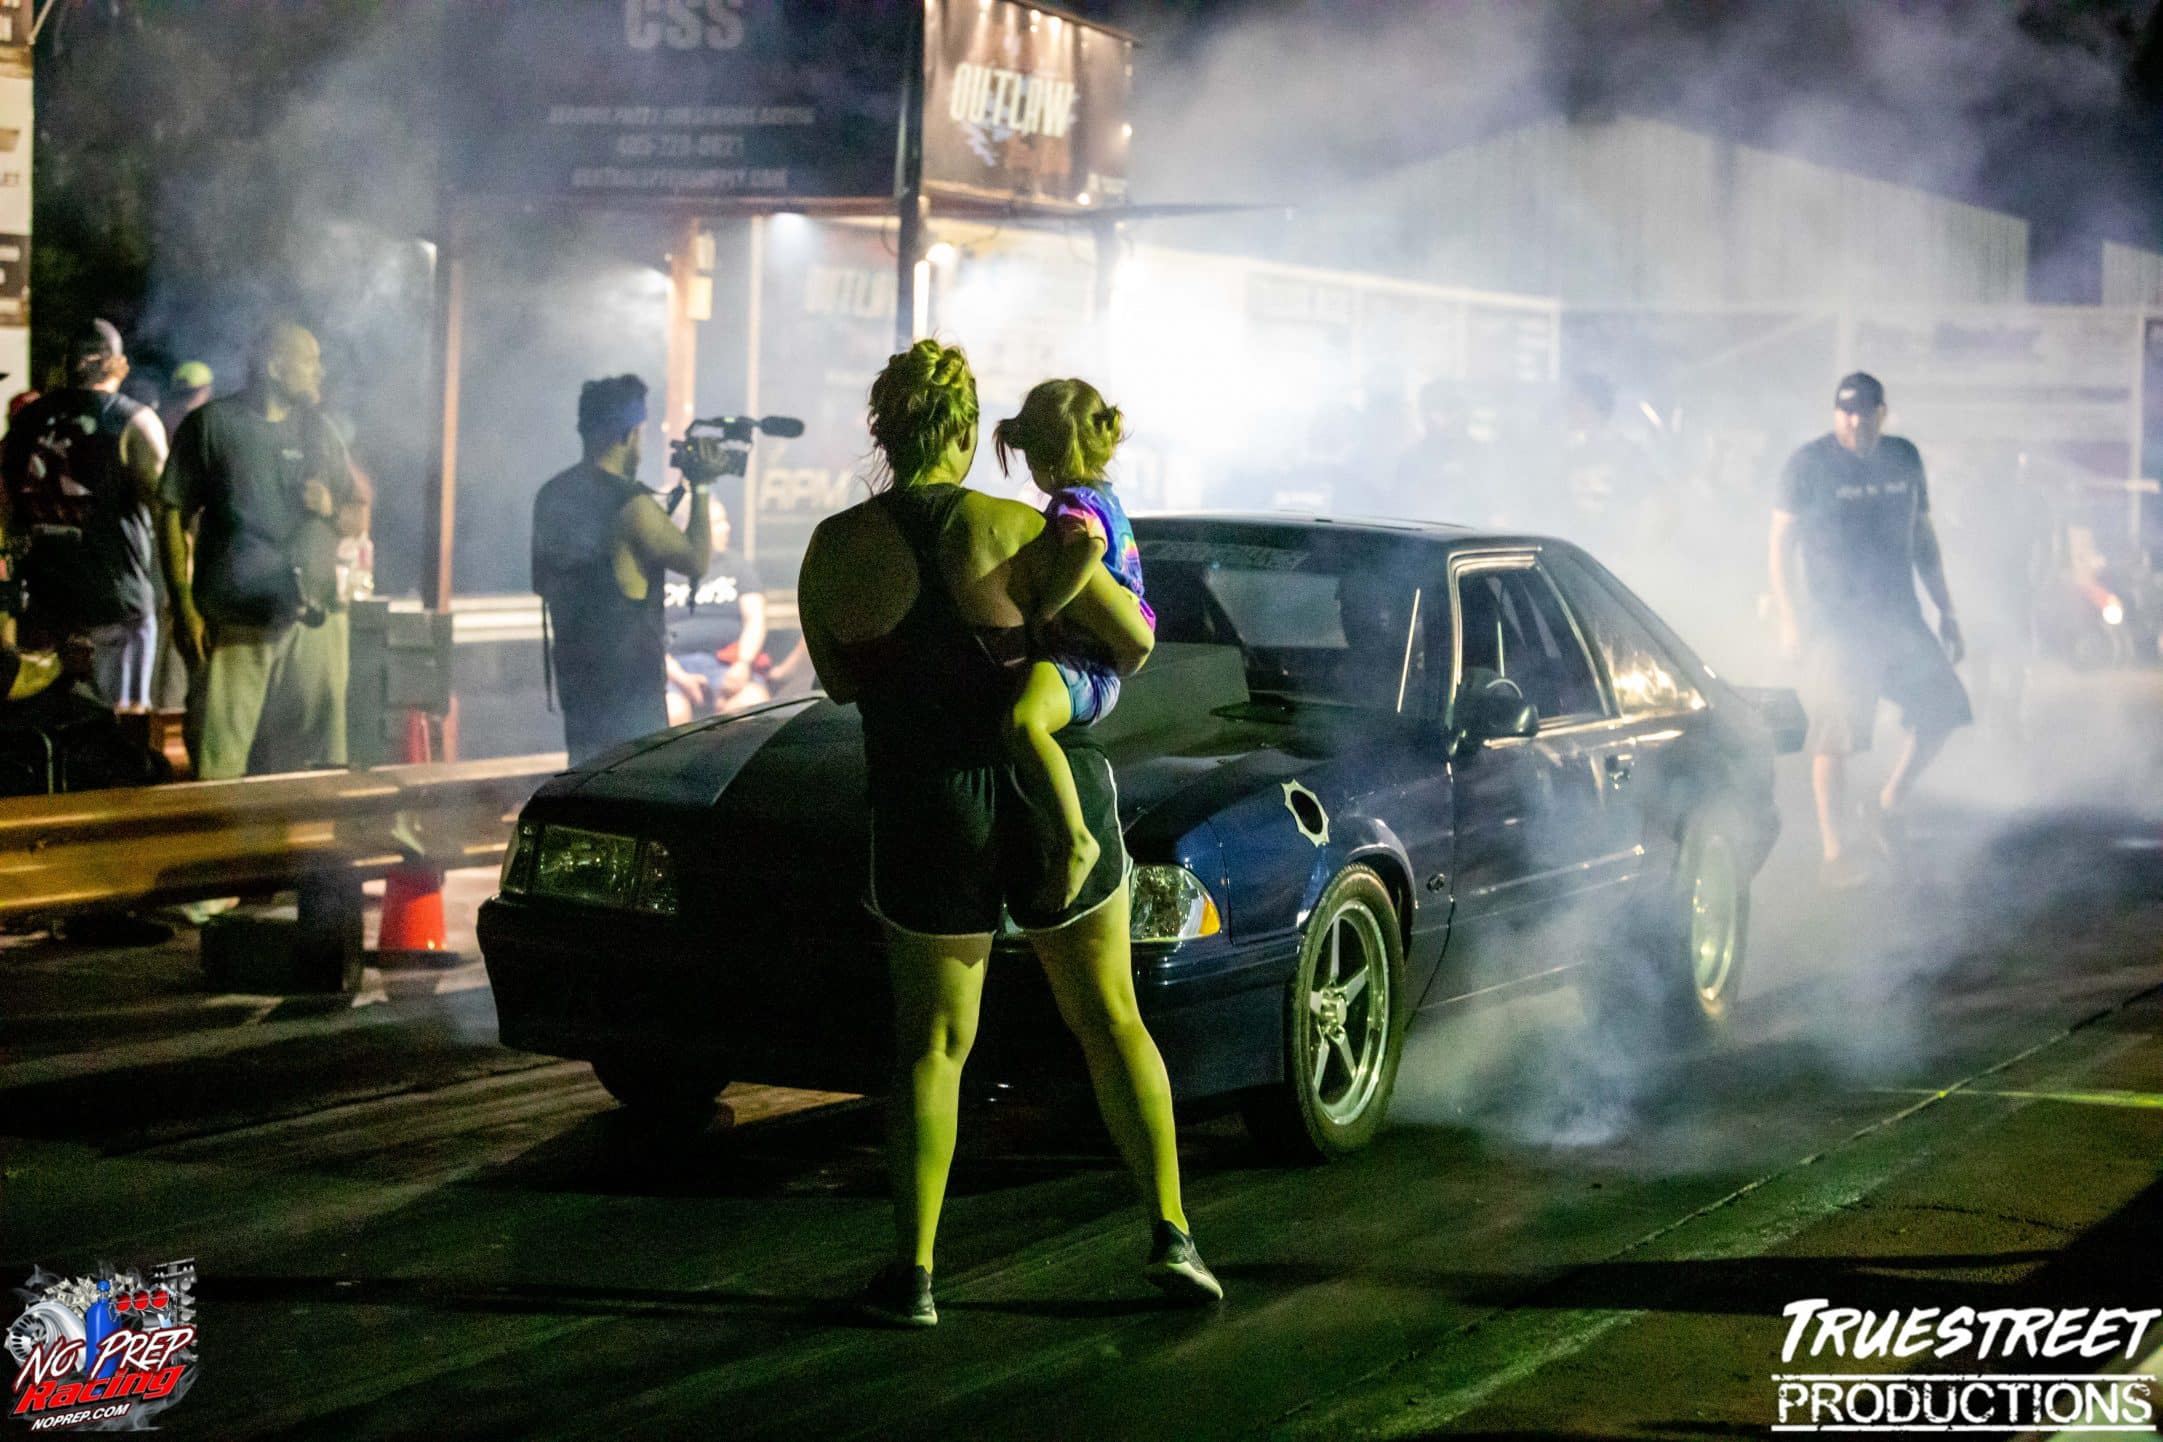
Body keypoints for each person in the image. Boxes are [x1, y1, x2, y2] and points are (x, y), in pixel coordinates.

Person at [797, 340, 1220, 1328]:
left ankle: (913, 1275)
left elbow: (838, 680)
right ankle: (1172, 1234)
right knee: (1110, 1020)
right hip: (1043, 790)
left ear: (883, 431)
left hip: (925, 800)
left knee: (933, 1047)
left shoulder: (832, 548)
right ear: (963, 430)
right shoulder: (1015, 525)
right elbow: (1134, 637)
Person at [1769, 372, 1969, 884]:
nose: (1855, 421)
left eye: (1864, 411)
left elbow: (1923, 538)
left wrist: (1947, 610)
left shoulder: (1904, 457)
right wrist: (1789, 619)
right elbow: (1780, 547)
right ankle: (1834, 852)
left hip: (1900, 616)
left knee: (1945, 708)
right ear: (1836, 414)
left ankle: (1889, 802)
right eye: (1846, 411)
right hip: (1836, 623)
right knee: (1835, 737)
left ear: (1882, 413)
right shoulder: (1808, 465)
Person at [158, 322, 366, 778]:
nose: (319, 372)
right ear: (274, 366)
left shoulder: (320, 431)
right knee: (219, 769)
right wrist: (184, 607)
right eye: (309, 361)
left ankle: (299, 830)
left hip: (312, 625)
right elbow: (171, 513)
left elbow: (357, 511)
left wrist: (332, 509)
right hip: (236, 626)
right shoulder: (213, 425)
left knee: (313, 771)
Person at [992, 379, 1150, 911]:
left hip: (1083, 664)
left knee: (1023, 722)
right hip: (1097, 665)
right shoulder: (1106, 497)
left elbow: (1089, 547)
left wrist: (1048, 605)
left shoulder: (1070, 505)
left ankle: (1076, 839)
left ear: (1048, 455)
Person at [531, 374, 728, 764]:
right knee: (638, 784)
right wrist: (702, 488)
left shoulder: (550, 496)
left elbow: (542, 583)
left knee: (586, 781)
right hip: (630, 692)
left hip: (577, 684)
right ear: (628, 435)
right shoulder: (632, 505)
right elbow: (695, 559)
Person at [0, 320, 170, 708]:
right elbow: (166, 510)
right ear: (115, 364)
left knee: (47, 718)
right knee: (121, 723)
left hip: (44, 603)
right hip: (116, 604)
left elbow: (4, 504)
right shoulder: (134, 420)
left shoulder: (25, 422)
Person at [662, 494, 769, 724]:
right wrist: (679, 677)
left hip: (727, 664)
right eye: (717, 523)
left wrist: (743, 664)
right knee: (672, 713)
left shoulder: (737, 565)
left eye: (725, 521)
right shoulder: (663, 570)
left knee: (752, 704)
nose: (726, 528)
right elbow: (647, 632)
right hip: (675, 668)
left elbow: (756, 619)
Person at [158, 360, 213, 442]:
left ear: (206, 390)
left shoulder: (216, 422)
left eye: (190, 393)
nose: (184, 399)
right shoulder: (166, 420)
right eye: (180, 394)